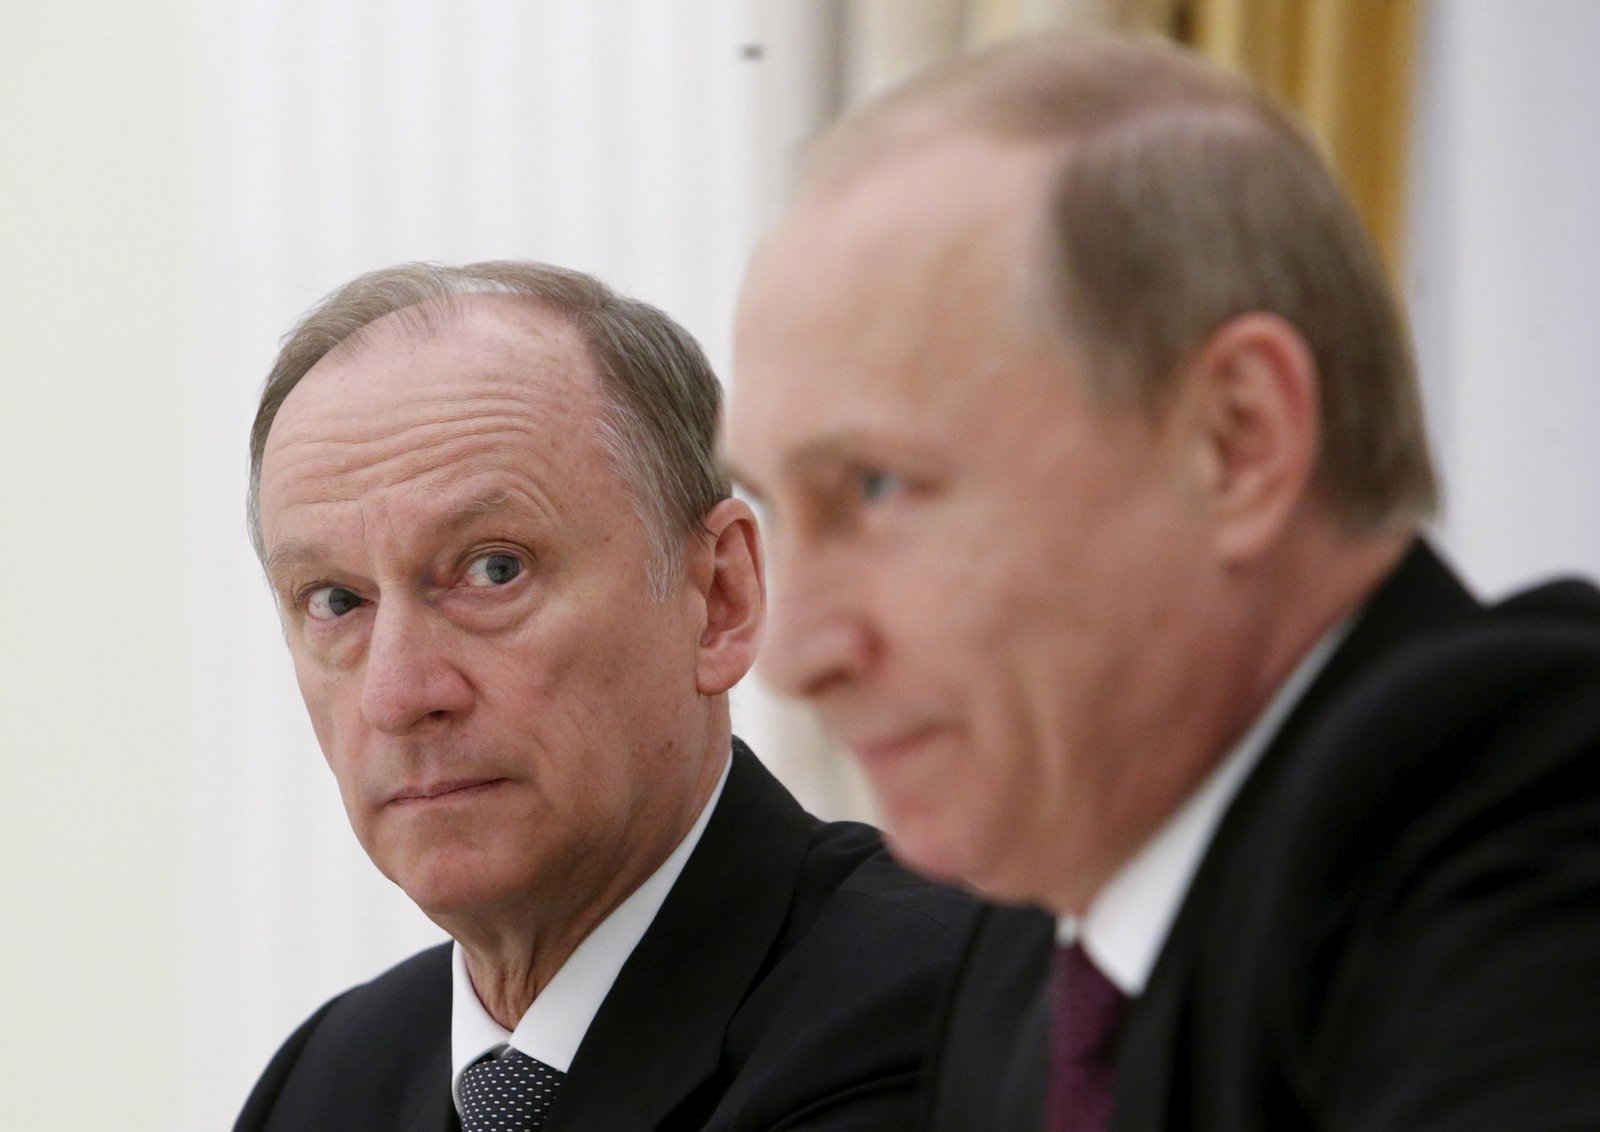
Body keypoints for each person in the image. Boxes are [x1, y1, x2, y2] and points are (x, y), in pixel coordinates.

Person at [725, 31, 1600, 1132]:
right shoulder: (1023, 961)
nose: (796, 654)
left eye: (876, 487)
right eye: (772, 506)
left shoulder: (1531, 806)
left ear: (1236, 440)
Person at [233, 260, 977, 1132]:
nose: (398, 695)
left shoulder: (947, 1009)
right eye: (336, 601)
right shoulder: (326, 1084)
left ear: (719, 599)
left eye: (493, 569)